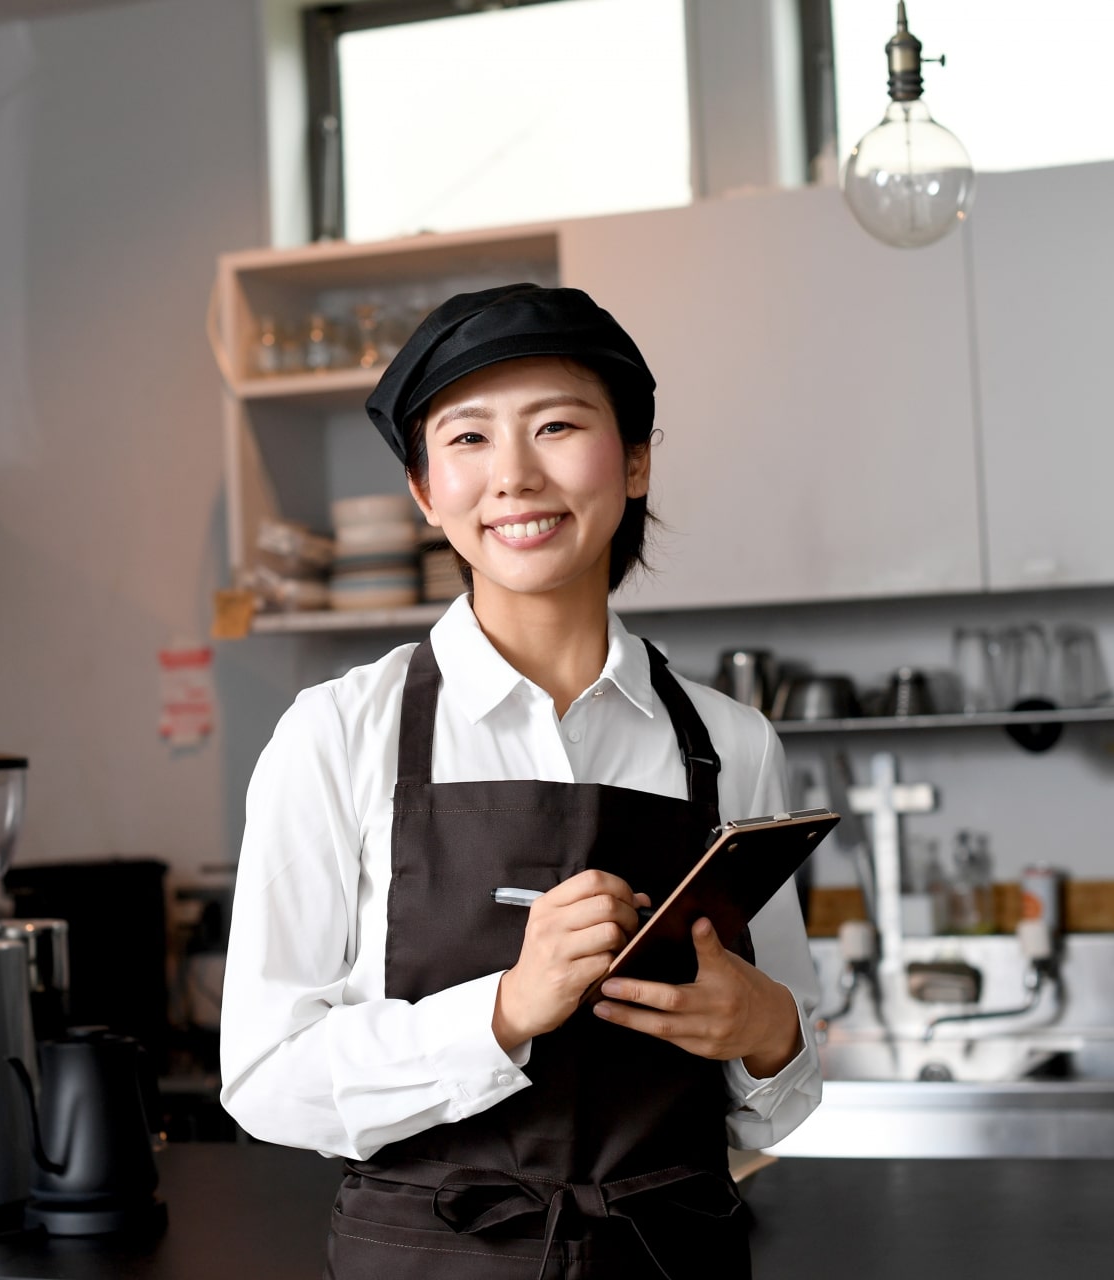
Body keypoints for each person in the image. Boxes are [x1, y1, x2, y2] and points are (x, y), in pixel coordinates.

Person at [220, 284, 822, 1279]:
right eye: (467, 439)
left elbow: (779, 1095)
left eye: (556, 426)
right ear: (423, 490)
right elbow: (266, 1074)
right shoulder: (338, 734)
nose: (514, 475)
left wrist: (768, 1030)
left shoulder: (733, 743)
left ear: (634, 460)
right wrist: (501, 1009)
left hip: (672, 1254)